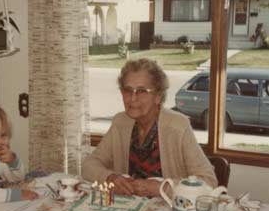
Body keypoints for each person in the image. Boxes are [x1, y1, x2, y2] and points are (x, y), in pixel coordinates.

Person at [82, 58, 217, 198]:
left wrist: (162, 188)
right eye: (128, 90)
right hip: (128, 210)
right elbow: (88, 165)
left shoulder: (177, 126)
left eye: (141, 91)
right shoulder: (120, 123)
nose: (132, 98)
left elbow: (209, 182)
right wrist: (110, 177)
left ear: (158, 96)